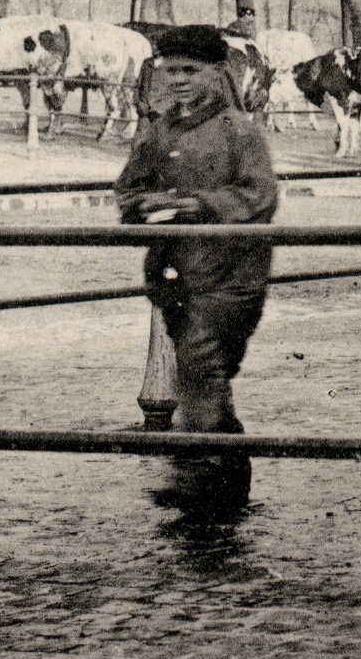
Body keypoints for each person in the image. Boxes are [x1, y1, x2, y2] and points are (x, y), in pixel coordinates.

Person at [115, 25, 278, 503]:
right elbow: (128, 187)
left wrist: (198, 205)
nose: (179, 80)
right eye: (171, 71)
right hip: (175, 276)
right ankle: (227, 477)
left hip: (232, 277)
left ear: (218, 73)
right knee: (201, 374)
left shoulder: (239, 132)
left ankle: (201, 482)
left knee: (202, 367)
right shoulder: (160, 129)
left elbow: (259, 196)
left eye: (191, 70)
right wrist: (139, 204)